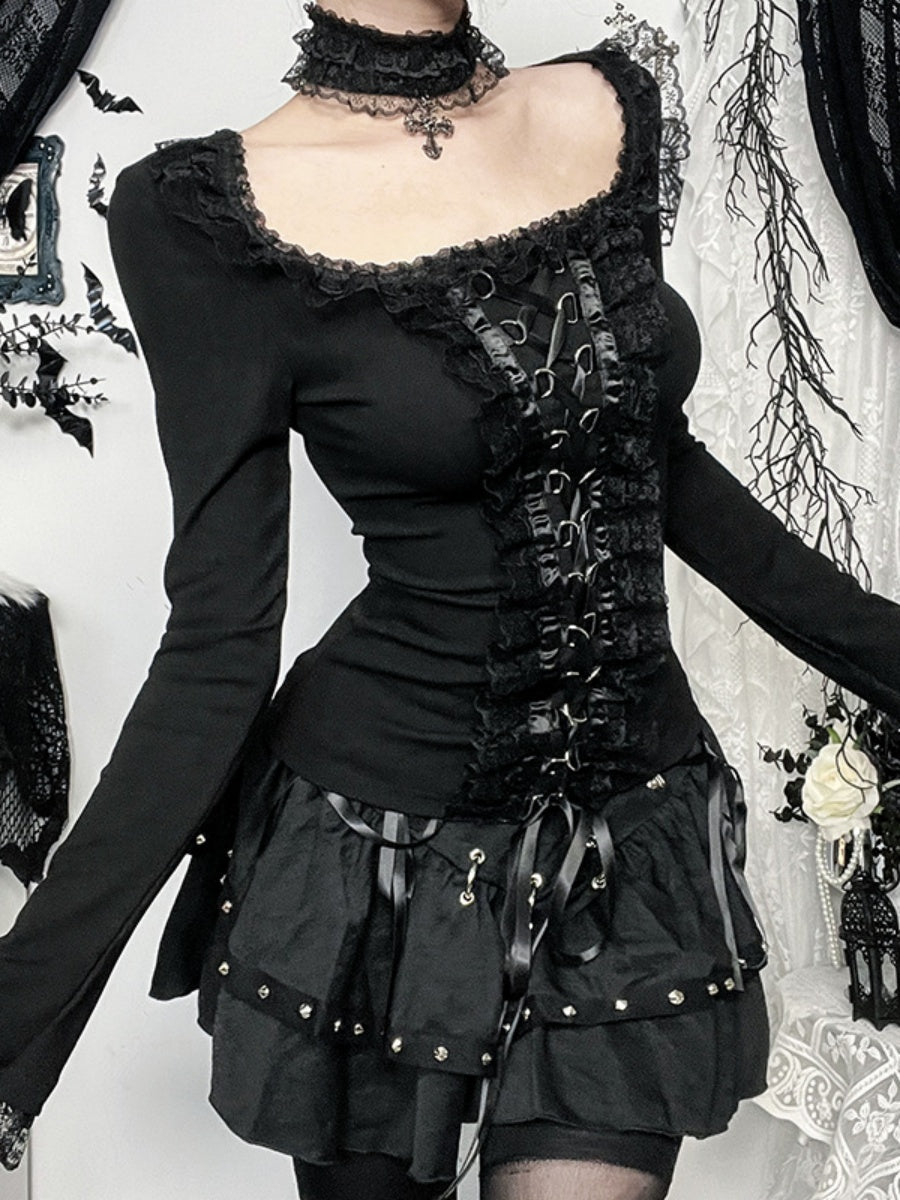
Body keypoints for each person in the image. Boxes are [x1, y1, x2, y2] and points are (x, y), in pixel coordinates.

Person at [2, 2, 900, 1197]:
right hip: (373, 862)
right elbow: (218, 646)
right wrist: (15, 1025)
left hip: (629, 844)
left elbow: (651, 466)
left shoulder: (605, 108)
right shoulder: (201, 214)